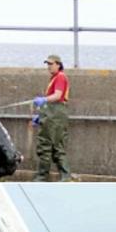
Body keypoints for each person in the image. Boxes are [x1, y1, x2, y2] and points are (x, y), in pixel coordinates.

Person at [32, 54, 72, 182]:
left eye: (51, 64)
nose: (48, 66)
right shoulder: (56, 77)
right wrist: (41, 115)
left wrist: (43, 100)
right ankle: (66, 177)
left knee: (45, 144)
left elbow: (57, 95)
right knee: (58, 145)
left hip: (55, 113)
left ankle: (42, 176)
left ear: (58, 64)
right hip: (56, 114)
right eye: (47, 64)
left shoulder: (60, 77)